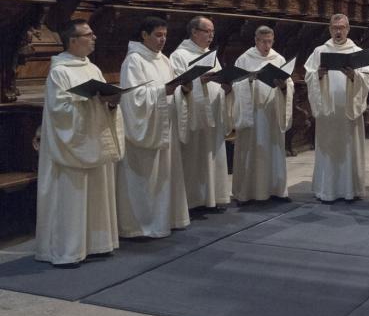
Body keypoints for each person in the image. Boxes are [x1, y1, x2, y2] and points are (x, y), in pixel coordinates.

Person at [35, 20, 124, 267]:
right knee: (70, 196)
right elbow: (59, 110)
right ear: (73, 41)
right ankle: (68, 250)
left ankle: (97, 244)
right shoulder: (60, 71)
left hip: (92, 138)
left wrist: (112, 102)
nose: (94, 37)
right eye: (88, 34)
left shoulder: (93, 68)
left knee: (96, 191)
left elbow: (100, 100)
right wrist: (91, 102)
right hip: (71, 146)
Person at [116, 16, 191, 239]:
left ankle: (163, 220)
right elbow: (132, 99)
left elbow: (170, 89)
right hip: (145, 131)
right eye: (158, 35)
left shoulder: (164, 60)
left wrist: (183, 89)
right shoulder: (134, 61)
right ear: (144, 35)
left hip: (164, 126)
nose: (162, 40)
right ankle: (139, 226)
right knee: (145, 180)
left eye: (165, 35)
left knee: (164, 178)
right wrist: (162, 92)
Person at [170, 16, 238, 211]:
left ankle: (212, 198)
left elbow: (217, 79)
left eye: (212, 32)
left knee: (213, 156)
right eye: (207, 31)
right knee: (194, 159)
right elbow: (177, 85)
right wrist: (200, 83)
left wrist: (226, 88)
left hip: (213, 114)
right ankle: (193, 201)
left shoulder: (211, 55)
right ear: (194, 32)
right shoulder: (179, 56)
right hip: (193, 116)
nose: (211, 36)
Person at [304, 14, 369, 202]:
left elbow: (367, 80)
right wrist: (317, 75)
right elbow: (308, 76)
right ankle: (327, 190)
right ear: (330, 29)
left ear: (348, 29)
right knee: (328, 148)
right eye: (334, 28)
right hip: (328, 112)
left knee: (349, 148)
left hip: (348, 112)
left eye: (342, 27)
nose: (338, 31)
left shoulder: (357, 52)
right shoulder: (319, 51)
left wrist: (353, 77)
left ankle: (350, 190)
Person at [232, 25, 293, 202]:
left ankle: (276, 190)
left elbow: (289, 84)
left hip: (272, 112)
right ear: (256, 41)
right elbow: (235, 83)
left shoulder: (279, 58)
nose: (267, 45)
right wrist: (248, 81)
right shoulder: (244, 59)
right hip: (252, 112)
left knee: (273, 151)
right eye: (263, 41)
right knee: (251, 151)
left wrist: (283, 86)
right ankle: (248, 193)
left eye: (270, 41)